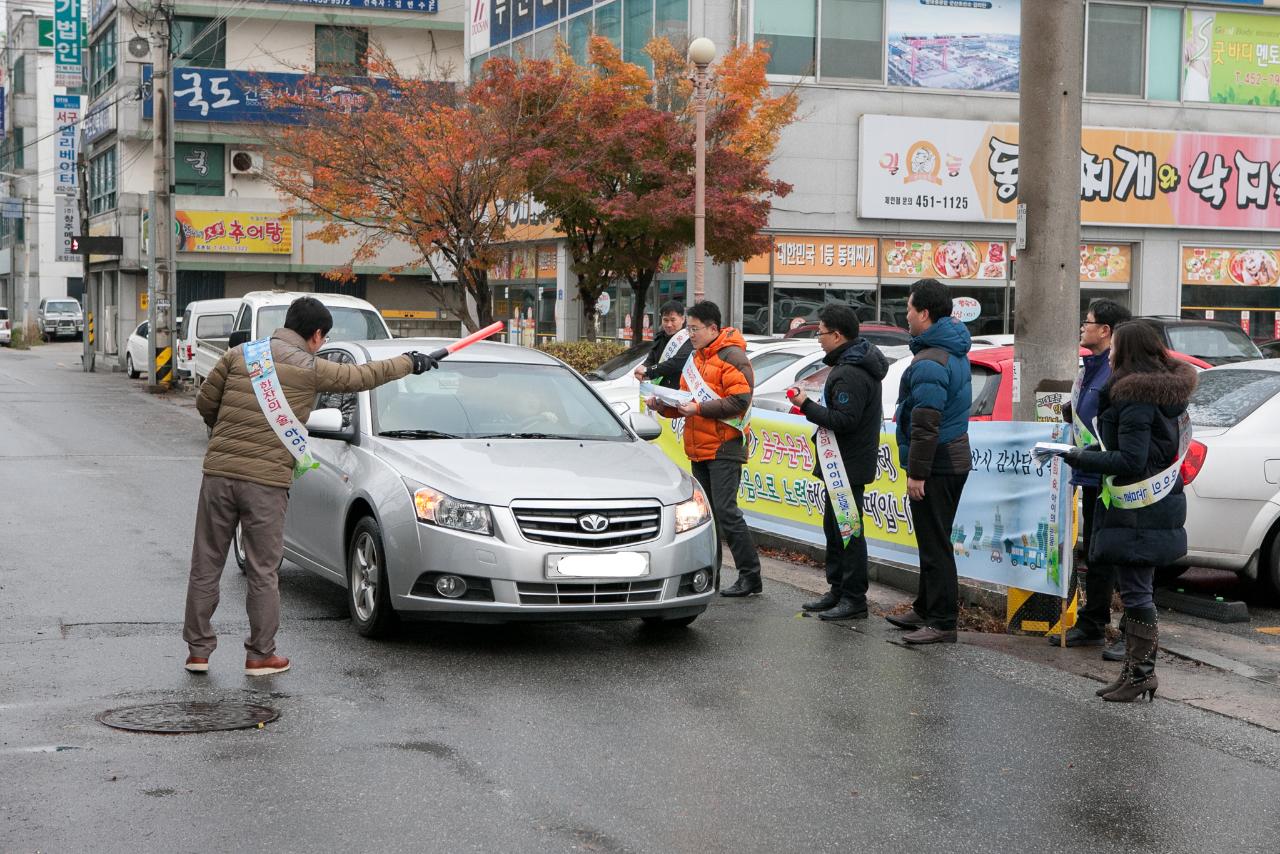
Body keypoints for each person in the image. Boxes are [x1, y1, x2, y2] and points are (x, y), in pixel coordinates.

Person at [183, 297, 439, 676]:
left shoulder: (239, 355)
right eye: (323, 337)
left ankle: (198, 653)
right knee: (263, 570)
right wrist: (410, 362)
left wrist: (229, 433)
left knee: (206, 564)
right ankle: (260, 654)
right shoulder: (312, 368)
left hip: (219, 474)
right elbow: (365, 376)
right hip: (266, 483)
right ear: (316, 335)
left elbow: (206, 404)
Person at [1060, 322, 1196, 702]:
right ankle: (1134, 673)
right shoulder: (1164, 392)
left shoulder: (1134, 395)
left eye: (1116, 344)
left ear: (1127, 350)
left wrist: (1080, 456)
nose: (1112, 351)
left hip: (1138, 507)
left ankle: (1141, 674)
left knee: (1137, 592)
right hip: (1152, 504)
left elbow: (1131, 459)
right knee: (1138, 590)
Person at [646, 301, 762, 596]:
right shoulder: (696, 358)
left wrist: (697, 407)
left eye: (694, 329)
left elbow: (739, 402)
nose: (690, 334)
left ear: (713, 328)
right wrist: (663, 406)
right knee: (706, 518)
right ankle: (712, 574)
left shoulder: (733, 356)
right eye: (689, 329)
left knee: (726, 512)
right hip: (699, 447)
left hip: (724, 445)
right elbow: (686, 402)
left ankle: (751, 576)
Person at [884, 279, 972, 644]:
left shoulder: (932, 360)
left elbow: (925, 423)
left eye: (908, 309)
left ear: (924, 313)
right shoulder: (949, 350)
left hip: (937, 464)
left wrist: (917, 473)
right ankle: (924, 607)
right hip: (948, 459)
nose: (905, 316)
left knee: (935, 544)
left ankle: (942, 621)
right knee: (931, 541)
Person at [790, 304, 888, 621]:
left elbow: (843, 420)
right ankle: (838, 590)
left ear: (836, 334)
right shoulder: (851, 364)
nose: (818, 339)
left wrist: (805, 404)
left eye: (820, 333)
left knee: (848, 531)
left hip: (847, 466)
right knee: (835, 528)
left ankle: (854, 598)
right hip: (841, 465)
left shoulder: (851, 372)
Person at [1048, 298, 1131, 659]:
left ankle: (1132, 633)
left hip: (1114, 479)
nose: (1083, 327)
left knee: (1120, 557)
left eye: (1089, 321)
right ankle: (1093, 621)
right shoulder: (1091, 367)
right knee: (1094, 553)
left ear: (1107, 331)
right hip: (1092, 473)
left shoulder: (1119, 372)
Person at [635, 300, 693, 390]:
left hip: (679, 393)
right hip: (658, 391)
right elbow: (651, 359)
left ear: (682, 319)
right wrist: (643, 366)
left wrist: (647, 371)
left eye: (673, 320)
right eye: (665, 320)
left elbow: (675, 364)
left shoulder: (689, 339)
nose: (669, 324)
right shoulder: (660, 338)